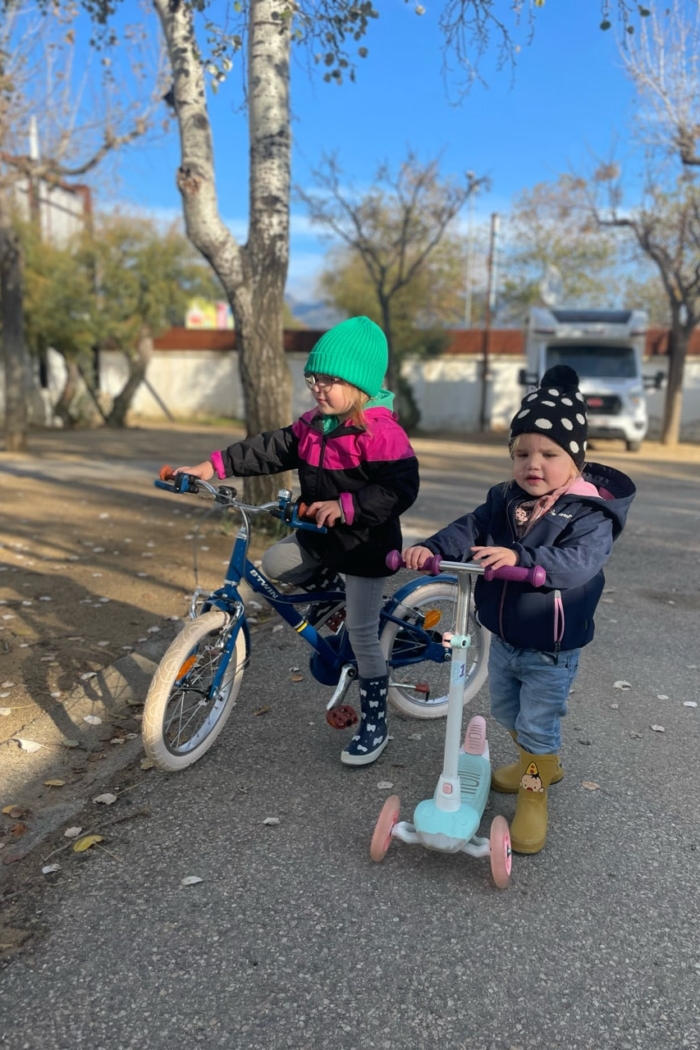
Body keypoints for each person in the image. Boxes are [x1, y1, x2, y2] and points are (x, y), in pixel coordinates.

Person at [402, 365, 636, 854]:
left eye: (550, 454)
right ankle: (539, 760)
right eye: (522, 453)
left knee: (537, 723)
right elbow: (469, 528)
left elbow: (578, 564)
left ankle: (536, 791)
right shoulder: (504, 499)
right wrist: (431, 547)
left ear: (576, 458)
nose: (534, 463)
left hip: (552, 646)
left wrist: (523, 559)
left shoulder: (590, 514)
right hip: (506, 637)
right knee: (508, 710)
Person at [174, 316, 419, 767]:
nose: (318, 388)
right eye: (313, 378)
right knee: (274, 561)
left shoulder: (382, 433)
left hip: (363, 546)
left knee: (364, 638)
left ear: (360, 383)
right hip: (320, 540)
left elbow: (400, 488)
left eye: (330, 380)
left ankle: (374, 721)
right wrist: (212, 467)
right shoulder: (312, 426)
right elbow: (267, 449)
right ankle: (331, 596)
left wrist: (348, 506)